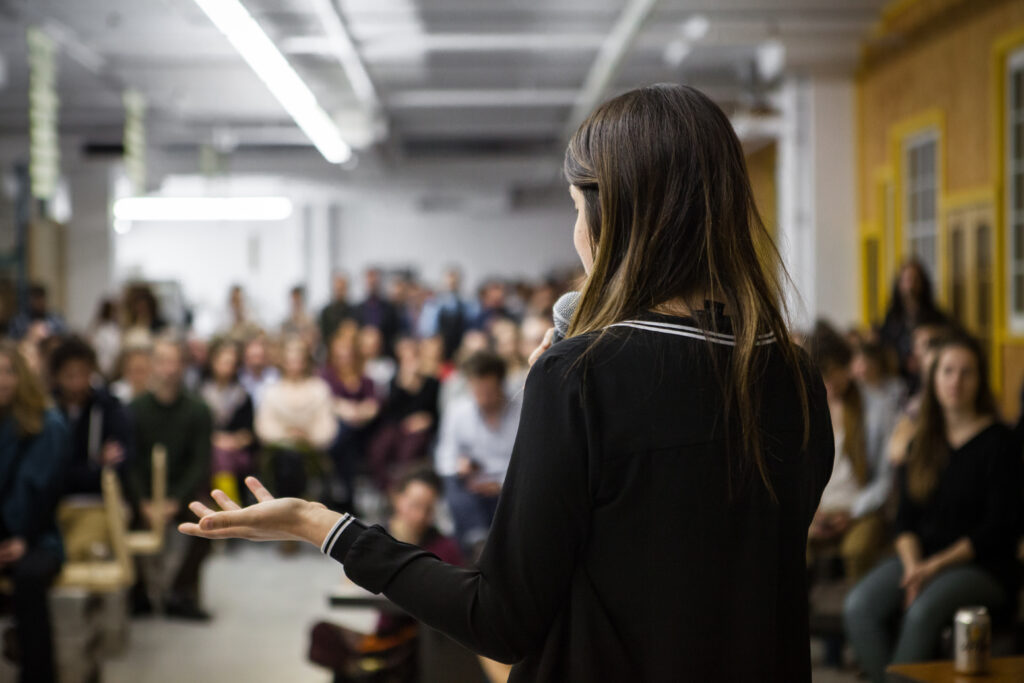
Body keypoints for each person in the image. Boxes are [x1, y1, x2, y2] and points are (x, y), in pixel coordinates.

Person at [180, 84, 834, 682]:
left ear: (619, 218)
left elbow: (501, 617)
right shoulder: (796, 377)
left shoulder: (582, 375)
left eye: (577, 208)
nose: (576, 234)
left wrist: (320, 523)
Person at [843, 334, 1021, 682]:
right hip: (920, 558)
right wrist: (913, 569)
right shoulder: (922, 440)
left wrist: (931, 568)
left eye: (966, 372)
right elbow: (905, 520)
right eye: (947, 371)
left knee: (922, 612)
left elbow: (999, 528)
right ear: (934, 378)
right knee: (858, 607)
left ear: (980, 380)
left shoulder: (1002, 442)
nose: (956, 381)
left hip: (984, 566)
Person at [308, 466, 462, 682]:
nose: (419, 516)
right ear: (397, 498)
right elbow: (349, 584)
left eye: (428, 509)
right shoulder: (379, 537)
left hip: (417, 640)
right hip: (384, 635)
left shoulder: (444, 547)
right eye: (415, 505)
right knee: (324, 635)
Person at [128, 336, 213, 619]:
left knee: (210, 524)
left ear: (184, 365)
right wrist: (143, 501)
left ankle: (180, 592)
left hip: (181, 493)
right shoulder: (135, 409)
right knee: (120, 519)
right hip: (143, 495)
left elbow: (199, 463)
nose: (169, 368)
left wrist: (175, 501)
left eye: (175, 361)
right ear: (152, 365)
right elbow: (130, 462)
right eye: (163, 361)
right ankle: (137, 593)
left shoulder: (199, 410)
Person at [0, 341, 70, 683]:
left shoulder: (48, 425)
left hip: (37, 536)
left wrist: (23, 540)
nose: (2, 380)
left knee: (28, 579)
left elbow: (45, 496)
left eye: (9, 371)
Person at [805, 322, 897, 581]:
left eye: (834, 372)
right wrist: (812, 512)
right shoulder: (810, 407)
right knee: (790, 543)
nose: (829, 383)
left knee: (857, 551)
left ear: (847, 366)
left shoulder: (877, 408)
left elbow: (886, 478)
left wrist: (854, 511)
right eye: (821, 374)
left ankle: (855, 613)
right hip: (820, 508)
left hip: (861, 506)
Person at [49, 336, 133, 550]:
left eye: (84, 374)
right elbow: (51, 475)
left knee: (84, 549)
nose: (77, 383)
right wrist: (95, 464)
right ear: (56, 376)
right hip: (53, 506)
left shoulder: (109, 408)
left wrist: (84, 470)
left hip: (99, 504)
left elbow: (118, 468)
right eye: (70, 375)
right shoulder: (46, 412)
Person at [434, 350, 520, 556]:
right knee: (452, 483)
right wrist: (459, 465)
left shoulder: (522, 411)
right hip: (473, 486)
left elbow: (529, 460)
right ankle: (478, 541)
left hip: (511, 485)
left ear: (500, 384)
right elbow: (444, 456)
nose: (483, 397)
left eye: (488, 390)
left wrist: (500, 484)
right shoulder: (458, 411)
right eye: (477, 390)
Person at [255, 337, 337, 515]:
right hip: (279, 453)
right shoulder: (271, 390)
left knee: (297, 460)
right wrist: (287, 436)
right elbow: (264, 425)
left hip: (311, 453)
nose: (295, 364)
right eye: (290, 359)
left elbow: (327, 425)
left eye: (299, 358)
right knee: (286, 459)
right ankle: (288, 513)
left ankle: (294, 512)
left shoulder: (319, 388)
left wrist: (307, 437)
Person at [367, 337, 439, 492]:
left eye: (413, 358)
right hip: (398, 426)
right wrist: (404, 385)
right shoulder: (396, 382)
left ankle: (402, 489)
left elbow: (434, 412)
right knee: (379, 448)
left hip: (420, 430)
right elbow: (391, 411)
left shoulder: (432, 383)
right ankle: (387, 490)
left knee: (408, 452)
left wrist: (426, 420)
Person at [320, 331, 379, 513]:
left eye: (347, 355)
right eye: (340, 356)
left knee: (349, 437)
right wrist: (348, 410)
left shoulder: (365, 379)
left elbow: (373, 404)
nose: (344, 359)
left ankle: (341, 493)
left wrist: (358, 412)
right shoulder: (327, 377)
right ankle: (348, 495)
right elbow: (328, 402)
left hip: (363, 430)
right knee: (346, 438)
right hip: (338, 430)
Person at [200, 339, 255, 505]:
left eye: (231, 363)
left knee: (222, 455)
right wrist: (215, 440)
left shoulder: (243, 396)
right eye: (223, 362)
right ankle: (226, 504)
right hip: (208, 450)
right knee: (216, 455)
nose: (226, 367)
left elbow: (249, 434)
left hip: (237, 453)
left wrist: (232, 441)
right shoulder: (200, 393)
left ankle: (227, 505)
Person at [879, 260, 946, 388]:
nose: (910, 286)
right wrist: (902, 362)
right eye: (906, 280)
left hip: (927, 377)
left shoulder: (935, 316)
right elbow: (885, 344)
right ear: (899, 284)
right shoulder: (892, 316)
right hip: (898, 378)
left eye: (915, 280)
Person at [418, 267, 475, 361]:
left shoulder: (466, 303)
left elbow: (470, 327)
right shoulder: (433, 303)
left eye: (454, 282)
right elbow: (427, 330)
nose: (451, 285)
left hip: (459, 348)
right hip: (440, 349)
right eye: (449, 282)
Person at [355, 268, 402, 356]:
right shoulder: (358, 309)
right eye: (370, 282)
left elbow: (395, 332)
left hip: (385, 353)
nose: (372, 284)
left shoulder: (390, 308)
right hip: (363, 355)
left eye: (374, 281)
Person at [239, 335, 280, 410]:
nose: (256, 360)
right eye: (253, 356)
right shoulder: (239, 377)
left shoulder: (275, 376)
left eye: (259, 356)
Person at [319, 273, 356, 349]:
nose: (339, 292)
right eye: (337, 289)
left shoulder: (354, 311)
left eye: (342, 289)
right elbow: (323, 335)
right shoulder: (326, 312)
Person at [90, 298, 122, 380]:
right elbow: (93, 351)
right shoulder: (98, 330)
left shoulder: (117, 330)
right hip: (99, 372)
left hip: (115, 372)